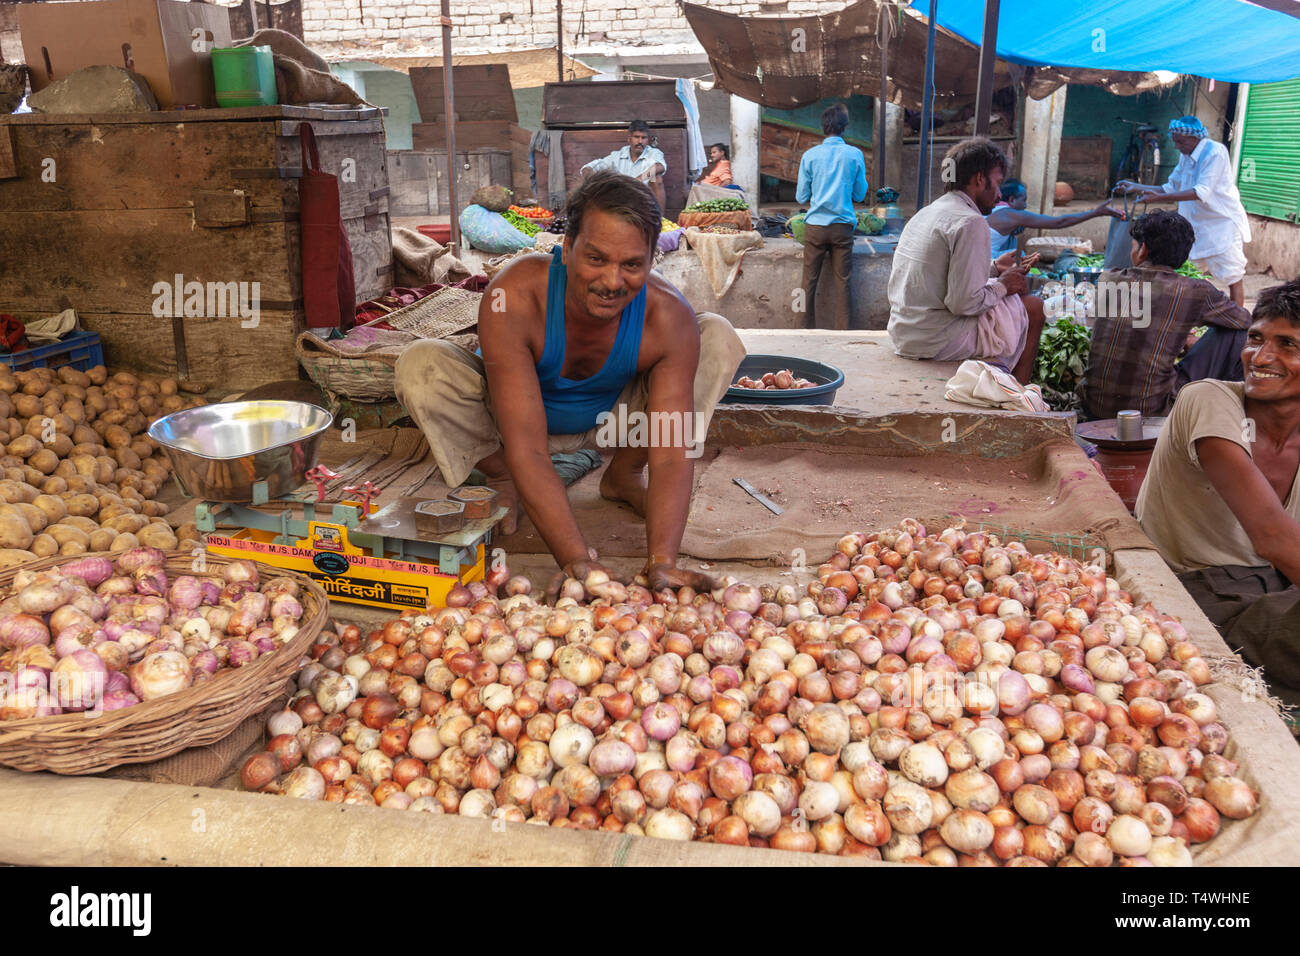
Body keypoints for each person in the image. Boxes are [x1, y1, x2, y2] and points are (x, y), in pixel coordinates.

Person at [394, 171, 747, 593]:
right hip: (514, 429)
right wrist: (577, 562)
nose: (612, 282)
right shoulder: (516, 296)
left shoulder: (667, 315)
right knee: (421, 364)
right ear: (566, 248)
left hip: (613, 424)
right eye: (596, 259)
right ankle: (503, 477)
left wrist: (663, 562)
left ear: (653, 259)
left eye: (632, 264)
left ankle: (624, 472)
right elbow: (527, 445)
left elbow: (672, 449)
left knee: (716, 337)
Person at [1135, 278, 1300, 707]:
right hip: (1205, 593)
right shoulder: (1207, 400)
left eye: (1288, 345)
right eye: (1257, 339)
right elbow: (1273, 537)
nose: (1261, 358)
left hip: (1277, 590)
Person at [887, 137, 1045, 385]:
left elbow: (942, 273)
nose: (999, 193)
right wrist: (1004, 284)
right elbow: (963, 303)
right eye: (997, 183)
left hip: (905, 333)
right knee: (1035, 307)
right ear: (980, 179)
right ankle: (1017, 396)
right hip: (937, 340)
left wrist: (993, 267)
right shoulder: (971, 221)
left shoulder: (928, 212)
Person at [1079, 209, 1251, 420]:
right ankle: (1232, 416)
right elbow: (1244, 320)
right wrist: (1192, 338)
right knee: (1240, 336)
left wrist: (1184, 336)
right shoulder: (1194, 291)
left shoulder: (1109, 279)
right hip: (1152, 412)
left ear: (1143, 251)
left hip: (1093, 406)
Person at [1119, 116, 1252, 308]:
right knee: (1184, 274)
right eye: (1174, 140)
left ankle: (1240, 325)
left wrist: (1156, 199)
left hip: (1221, 225)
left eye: (1179, 141)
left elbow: (1200, 192)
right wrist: (1135, 186)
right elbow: (1171, 187)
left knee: (1233, 277)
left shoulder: (1215, 152)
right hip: (1194, 225)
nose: (1176, 146)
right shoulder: (1185, 156)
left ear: (1193, 138)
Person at [795, 103, 869, 331]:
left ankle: (799, 330)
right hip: (842, 228)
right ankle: (843, 333)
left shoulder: (810, 155)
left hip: (815, 228)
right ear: (845, 126)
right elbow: (860, 194)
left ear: (823, 127)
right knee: (843, 283)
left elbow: (801, 196)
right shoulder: (855, 154)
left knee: (806, 283)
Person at [986, 177, 1124, 258]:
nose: (1025, 205)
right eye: (1024, 200)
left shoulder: (992, 208)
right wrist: (1096, 212)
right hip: (985, 262)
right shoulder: (1012, 214)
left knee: (1013, 243)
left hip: (976, 259)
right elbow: (1059, 222)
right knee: (1021, 256)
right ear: (1012, 200)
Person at [581, 119, 667, 210]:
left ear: (647, 140)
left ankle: (660, 221)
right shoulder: (617, 156)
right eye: (636, 137)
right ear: (629, 138)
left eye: (643, 138)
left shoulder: (653, 153)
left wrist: (638, 180)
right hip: (622, 200)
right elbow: (588, 168)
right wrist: (598, 183)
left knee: (657, 179)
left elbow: (659, 166)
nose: (640, 141)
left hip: (645, 201)